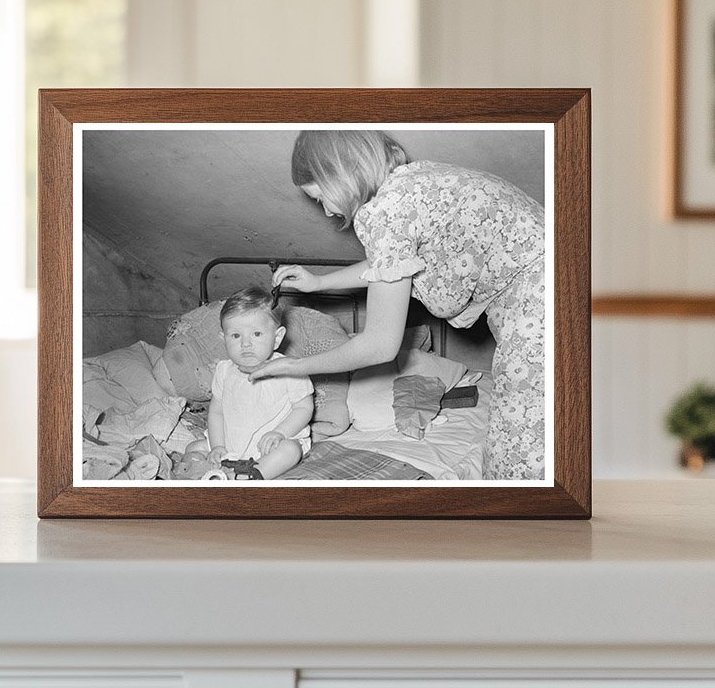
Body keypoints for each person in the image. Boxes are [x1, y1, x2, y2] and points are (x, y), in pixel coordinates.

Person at [248, 130, 546, 480]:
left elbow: (379, 345)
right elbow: (391, 265)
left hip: (539, 306)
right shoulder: (410, 186)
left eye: (320, 197)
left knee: (519, 454)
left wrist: (293, 367)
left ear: (339, 174)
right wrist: (320, 282)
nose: (327, 211)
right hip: (553, 286)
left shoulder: (384, 212)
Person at [207, 285, 314, 480]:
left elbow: (304, 408)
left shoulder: (290, 369)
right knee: (194, 447)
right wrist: (217, 446)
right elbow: (216, 411)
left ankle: (251, 476)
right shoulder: (223, 370)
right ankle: (206, 472)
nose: (245, 343)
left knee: (290, 450)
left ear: (277, 338)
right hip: (230, 446)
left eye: (256, 334)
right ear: (224, 339)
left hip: (269, 446)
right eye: (236, 335)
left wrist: (279, 433)